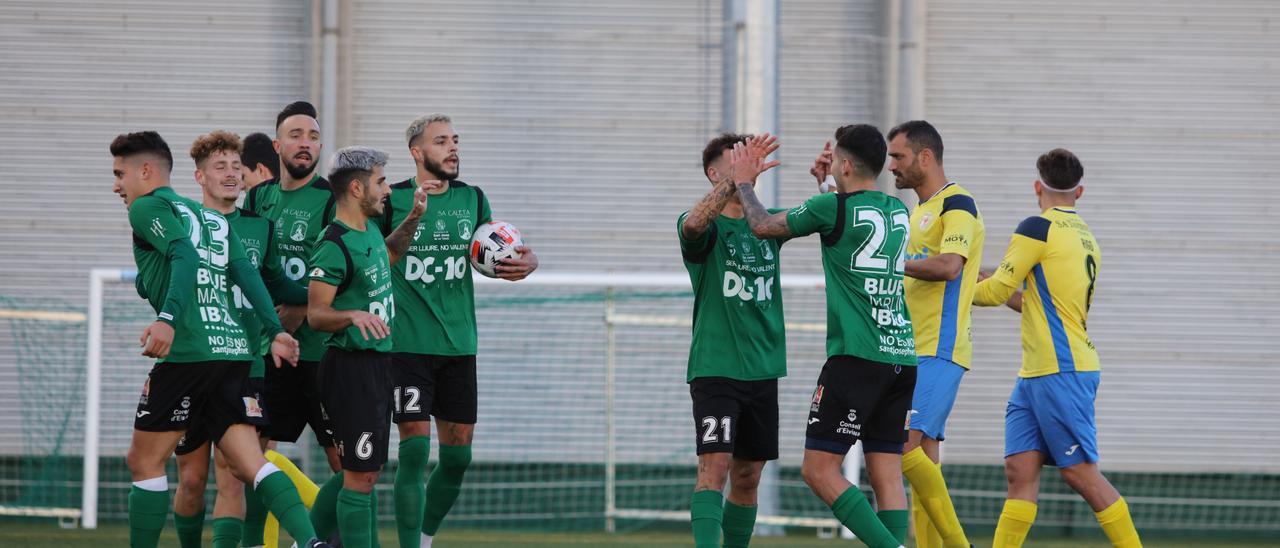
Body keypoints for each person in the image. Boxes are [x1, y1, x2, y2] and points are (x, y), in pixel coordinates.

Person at [111, 130, 328, 548]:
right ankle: (311, 541)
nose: (116, 184)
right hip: (234, 354)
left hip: (190, 353)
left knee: (143, 461)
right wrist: (276, 331)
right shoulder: (209, 217)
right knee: (251, 464)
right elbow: (245, 273)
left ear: (145, 171)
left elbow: (185, 256)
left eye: (120, 174)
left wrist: (168, 319)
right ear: (197, 176)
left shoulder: (146, 207)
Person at [735, 124, 915, 548]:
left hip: (856, 357)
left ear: (847, 165)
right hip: (901, 356)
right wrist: (830, 185)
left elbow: (762, 225)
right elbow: (852, 219)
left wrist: (744, 182)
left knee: (818, 470)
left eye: (836, 161)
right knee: (886, 473)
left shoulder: (829, 208)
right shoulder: (897, 209)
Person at [376, 114, 537, 547]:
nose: (452, 148)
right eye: (441, 141)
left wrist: (526, 262)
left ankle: (426, 538)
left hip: (459, 344)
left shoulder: (472, 199)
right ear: (417, 152)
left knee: (459, 456)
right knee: (413, 449)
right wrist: (410, 217)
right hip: (406, 343)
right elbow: (379, 260)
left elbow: (497, 250)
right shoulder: (392, 199)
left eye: (455, 140)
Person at [973, 149, 1141, 548]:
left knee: (1080, 472)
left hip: (1061, 370)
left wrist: (956, 287)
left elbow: (996, 292)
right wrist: (985, 282)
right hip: (1037, 373)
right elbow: (1036, 303)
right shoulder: (1087, 237)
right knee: (1019, 470)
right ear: (1079, 191)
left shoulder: (1037, 227)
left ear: (1037, 186)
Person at [169, 130, 309, 548]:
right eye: (220, 167)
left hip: (245, 365)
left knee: (233, 475)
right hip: (191, 363)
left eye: (236, 167)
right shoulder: (182, 223)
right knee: (192, 480)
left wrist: (330, 293)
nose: (231, 174)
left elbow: (276, 283)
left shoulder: (260, 229)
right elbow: (158, 283)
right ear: (199, 177)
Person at [307, 146, 424, 547]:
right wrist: (352, 315)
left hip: (378, 366)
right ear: (357, 188)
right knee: (360, 476)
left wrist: (413, 220)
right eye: (381, 181)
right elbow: (316, 314)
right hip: (350, 369)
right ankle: (309, 539)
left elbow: (388, 255)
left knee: (364, 470)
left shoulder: (370, 231)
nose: (388, 190)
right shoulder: (334, 244)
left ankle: (305, 541)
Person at [244, 101, 349, 536]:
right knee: (251, 456)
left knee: (346, 462)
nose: (304, 144)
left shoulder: (331, 199)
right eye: (295, 135)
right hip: (271, 351)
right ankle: (257, 544)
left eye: (312, 136)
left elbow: (351, 266)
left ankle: (331, 540)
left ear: (321, 145)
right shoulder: (257, 198)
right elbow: (246, 267)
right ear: (277, 144)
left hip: (322, 353)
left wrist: (301, 309)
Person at [678, 133, 784, 548]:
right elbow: (691, 225)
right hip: (716, 368)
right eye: (736, 160)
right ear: (713, 173)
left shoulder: (768, 224)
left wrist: (830, 186)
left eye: (749, 159)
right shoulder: (704, 223)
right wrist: (734, 182)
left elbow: (823, 222)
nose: (747, 167)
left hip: (763, 369)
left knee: (748, 475)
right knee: (715, 466)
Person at [889, 120, 979, 548]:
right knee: (924, 461)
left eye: (898, 157)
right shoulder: (915, 212)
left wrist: (890, 263)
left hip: (939, 349)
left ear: (925, 157)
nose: (892, 166)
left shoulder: (957, 204)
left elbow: (949, 267)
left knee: (903, 448)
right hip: (913, 348)